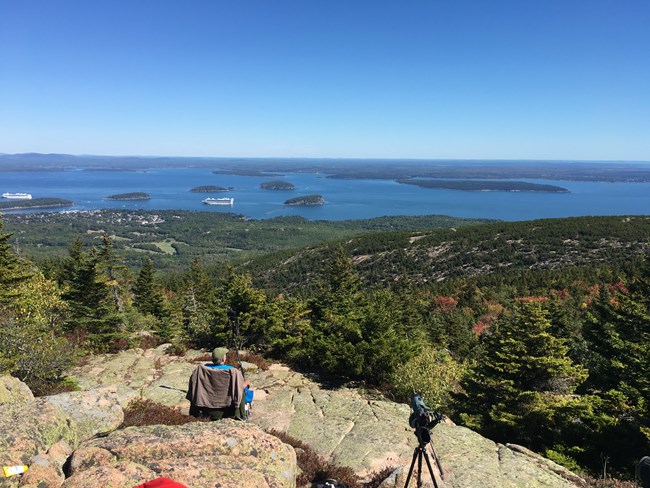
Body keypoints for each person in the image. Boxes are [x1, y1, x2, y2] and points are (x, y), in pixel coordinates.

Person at [186, 347, 253, 420]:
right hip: (228, 411)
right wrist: (246, 383)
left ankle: (195, 413)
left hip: (206, 409)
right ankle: (241, 415)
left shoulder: (201, 369)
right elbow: (238, 389)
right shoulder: (233, 371)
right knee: (243, 390)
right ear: (224, 359)